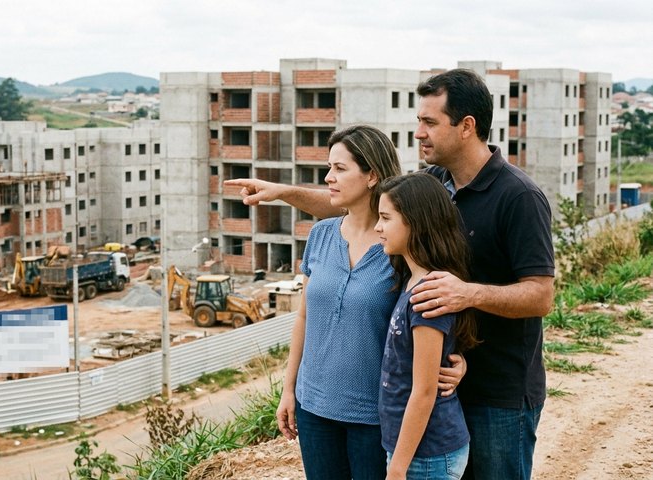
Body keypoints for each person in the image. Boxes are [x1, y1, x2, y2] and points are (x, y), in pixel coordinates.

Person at [225, 69, 555, 480]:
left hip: (499, 390)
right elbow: (358, 205)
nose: (418, 133)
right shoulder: (432, 185)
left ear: (466, 126)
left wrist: (465, 295)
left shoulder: (518, 197)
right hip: (439, 382)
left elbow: (541, 296)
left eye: (429, 122)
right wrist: (283, 192)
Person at [277, 125, 401, 479]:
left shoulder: (400, 246)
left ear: (372, 174)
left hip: (375, 416)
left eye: (340, 169)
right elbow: (304, 317)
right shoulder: (321, 234)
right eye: (329, 168)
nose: (329, 178)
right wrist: (289, 390)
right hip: (313, 409)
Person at [375, 173, 478, 480]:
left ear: (414, 222)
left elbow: (423, 391)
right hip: (416, 450)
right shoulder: (413, 281)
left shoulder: (428, 295)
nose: (378, 227)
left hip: (427, 455)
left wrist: (397, 468)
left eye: (385, 218)